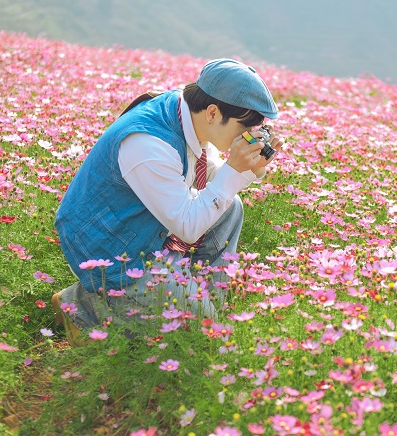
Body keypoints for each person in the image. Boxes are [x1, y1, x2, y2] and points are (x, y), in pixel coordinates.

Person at [52, 58, 283, 345]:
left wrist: (251, 165)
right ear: (213, 112)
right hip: (108, 246)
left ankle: (202, 303)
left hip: (143, 226)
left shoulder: (186, 111)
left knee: (230, 207)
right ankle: (84, 309)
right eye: (245, 127)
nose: (247, 135)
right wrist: (235, 169)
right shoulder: (148, 143)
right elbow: (188, 226)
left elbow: (209, 174)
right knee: (201, 339)